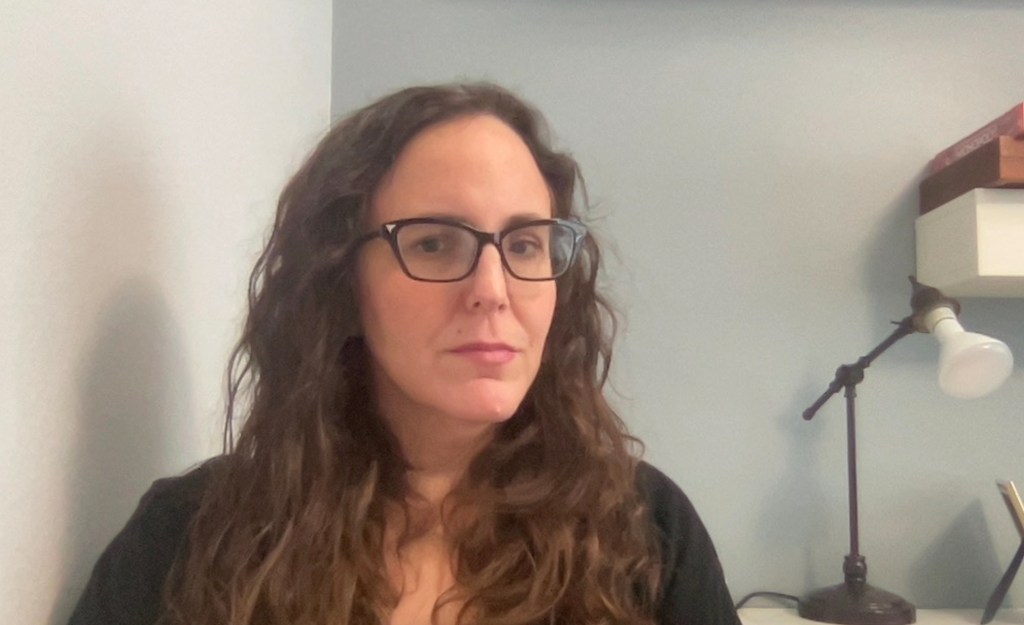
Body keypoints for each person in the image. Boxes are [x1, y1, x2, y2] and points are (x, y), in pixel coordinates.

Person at [68, 82, 741, 625]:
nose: (492, 289)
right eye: (433, 243)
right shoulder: (188, 537)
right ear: (340, 280)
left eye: (526, 244)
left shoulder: (647, 531)